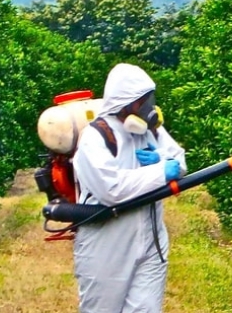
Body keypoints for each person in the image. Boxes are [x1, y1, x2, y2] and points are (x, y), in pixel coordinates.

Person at [71, 63, 187, 313]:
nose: (149, 107)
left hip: (152, 240)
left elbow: (179, 160)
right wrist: (160, 172)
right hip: (107, 243)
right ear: (125, 103)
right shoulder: (97, 137)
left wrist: (167, 162)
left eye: (150, 99)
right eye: (143, 101)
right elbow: (111, 189)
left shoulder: (151, 130)